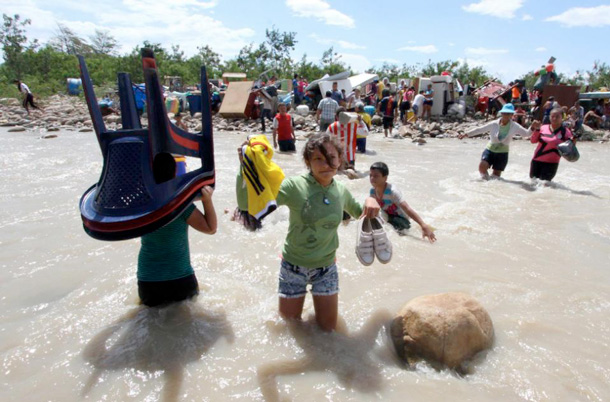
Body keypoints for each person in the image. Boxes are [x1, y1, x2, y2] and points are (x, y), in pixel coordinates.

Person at [274, 133, 380, 332]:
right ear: (308, 161)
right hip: (293, 267)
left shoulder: (341, 191)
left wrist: (371, 200)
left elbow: (361, 216)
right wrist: (248, 170)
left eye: (331, 158)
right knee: (289, 328)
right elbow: (262, 205)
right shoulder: (293, 186)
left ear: (340, 160)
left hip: (326, 269)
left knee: (329, 331)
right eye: (318, 159)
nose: (326, 164)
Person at [137, 153, 217, 307]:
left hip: (148, 280)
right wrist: (207, 200)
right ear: (175, 173)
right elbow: (210, 228)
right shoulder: (179, 205)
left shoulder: (141, 204)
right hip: (180, 278)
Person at [458, 103, 533, 179]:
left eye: (508, 113)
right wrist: (467, 134)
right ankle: (485, 182)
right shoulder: (494, 124)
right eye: (504, 113)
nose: (505, 115)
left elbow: (526, 134)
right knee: (482, 166)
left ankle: (491, 186)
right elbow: (480, 129)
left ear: (511, 115)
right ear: (501, 113)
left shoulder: (515, 126)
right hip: (490, 150)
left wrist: (533, 127)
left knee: (495, 177)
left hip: (502, 153)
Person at [369, 162, 436, 242]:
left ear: (385, 178)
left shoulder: (392, 192)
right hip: (387, 216)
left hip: (401, 220)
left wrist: (423, 225)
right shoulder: (372, 191)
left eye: (376, 176)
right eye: (370, 175)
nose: (372, 178)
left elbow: (407, 209)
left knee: (399, 234)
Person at [529, 107, 574, 182]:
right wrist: (536, 129)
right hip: (537, 160)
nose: (554, 118)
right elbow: (533, 141)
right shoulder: (543, 128)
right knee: (533, 183)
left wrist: (574, 139)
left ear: (562, 118)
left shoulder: (565, 132)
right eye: (552, 116)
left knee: (545, 184)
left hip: (552, 163)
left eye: (557, 116)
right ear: (549, 117)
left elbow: (570, 149)